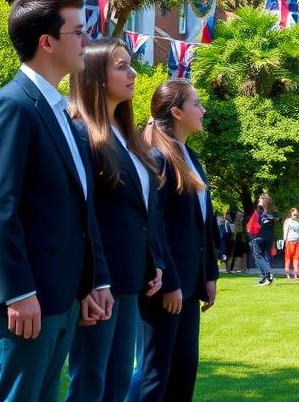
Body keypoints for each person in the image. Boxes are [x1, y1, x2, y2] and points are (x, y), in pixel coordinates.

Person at [0, 0, 112, 402]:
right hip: (26, 300)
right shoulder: (12, 106)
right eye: (79, 31)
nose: (87, 40)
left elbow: (80, 210)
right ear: (46, 42)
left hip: (61, 295)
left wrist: (92, 281)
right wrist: (18, 292)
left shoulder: (62, 113)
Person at [67, 39, 166, 402]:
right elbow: (85, 213)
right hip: (98, 283)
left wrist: (152, 262)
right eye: (121, 66)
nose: (133, 72)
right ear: (95, 75)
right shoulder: (80, 133)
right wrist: (94, 280)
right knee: (90, 383)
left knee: (119, 381)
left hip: (129, 279)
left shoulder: (128, 138)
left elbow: (142, 211)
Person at [130, 80, 219, 402]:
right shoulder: (156, 156)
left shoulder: (190, 156)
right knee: (156, 372)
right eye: (197, 104)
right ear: (177, 111)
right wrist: (169, 281)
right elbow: (154, 225)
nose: (203, 110)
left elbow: (202, 224)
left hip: (190, 285)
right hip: (165, 286)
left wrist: (209, 275)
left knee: (184, 368)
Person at [247, 194, 277, 286]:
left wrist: (251, 235)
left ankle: (268, 275)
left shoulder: (259, 211)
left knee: (258, 256)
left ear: (263, 201)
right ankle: (264, 278)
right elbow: (276, 220)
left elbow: (253, 224)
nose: (258, 202)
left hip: (259, 236)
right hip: (269, 236)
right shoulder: (274, 212)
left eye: (260, 200)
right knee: (264, 256)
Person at [282, 207, 299, 281]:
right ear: (291, 213)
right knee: (288, 258)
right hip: (290, 241)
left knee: (297, 258)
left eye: (297, 214)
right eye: (294, 214)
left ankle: (296, 274)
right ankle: (287, 273)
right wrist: (285, 240)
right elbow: (285, 231)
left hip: (298, 242)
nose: (296, 215)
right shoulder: (288, 221)